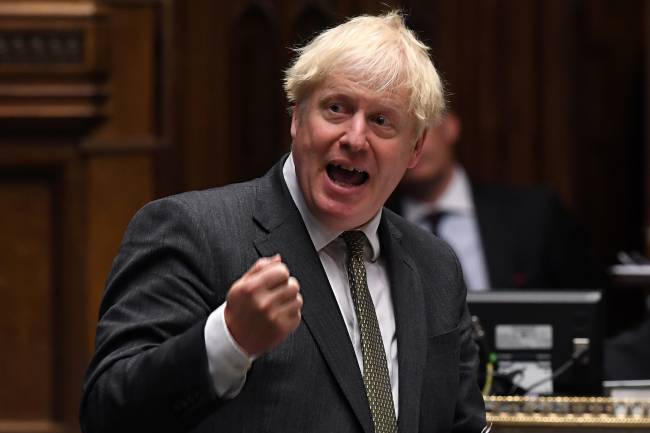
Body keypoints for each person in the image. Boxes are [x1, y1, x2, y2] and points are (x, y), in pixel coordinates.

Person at [80, 11, 486, 433]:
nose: (354, 138)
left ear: (416, 149)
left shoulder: (436, 266)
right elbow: (108, 413)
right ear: (297, 117)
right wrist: (229, 340)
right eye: (336, 109)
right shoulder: (192, 231)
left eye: (382, 121)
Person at [392, 111, 603, 290]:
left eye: (420, 127)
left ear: (450, 126)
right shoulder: (374, 229)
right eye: (394, 131)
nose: (413, 144)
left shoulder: (534, 215)